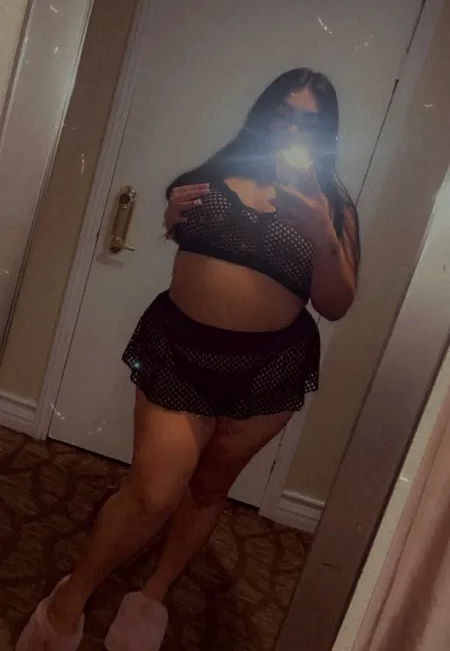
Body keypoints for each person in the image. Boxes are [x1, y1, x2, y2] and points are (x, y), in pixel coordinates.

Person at [17, 68, 360, 651]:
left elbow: (336, 305)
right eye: (282, 113)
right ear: (263, 112)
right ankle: (66, 603)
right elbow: (189, 245)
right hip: (180, 353)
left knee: (207, 489)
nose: (290, 129)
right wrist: (171, 218)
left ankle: (152, 594)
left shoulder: (332, 208)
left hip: (267, 372)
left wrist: (321, 232)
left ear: (324, 134)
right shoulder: (215, 173)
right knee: (152, 493)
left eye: (307, 123)